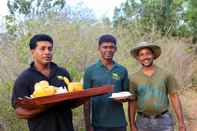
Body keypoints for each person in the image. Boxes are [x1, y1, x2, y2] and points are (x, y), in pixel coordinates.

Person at [11, 34, 83, 131]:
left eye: (50, 49)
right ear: (33, 52)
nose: (47, 52)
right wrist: (44, 107)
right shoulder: (25, 78)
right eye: (42, 49)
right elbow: (19, 112)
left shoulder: (62, 73)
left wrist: (86, 96)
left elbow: (71, 102)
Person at [128, 42, 186, 131]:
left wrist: (181, 123)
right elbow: (132, 102)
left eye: (148, 53)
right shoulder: (133, 78)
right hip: (142, 121)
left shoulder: (166, 74)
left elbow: (174, 97)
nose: (145, 57)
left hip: (163, 120)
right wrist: (132, 124)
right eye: (141, 55)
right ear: (138, 58)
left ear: (153, 55)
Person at [83, 34, 129, 131]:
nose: (108, 50)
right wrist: (88, 125)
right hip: (98, 124)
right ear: (99, 48)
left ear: (115, 49)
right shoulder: (90, 71)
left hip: (119, 123)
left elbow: (126, 94)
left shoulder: (122, 70)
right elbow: (86, 101)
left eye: (111, 47)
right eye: (105, 47)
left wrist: (123, 99)